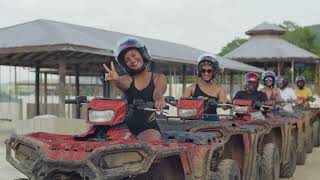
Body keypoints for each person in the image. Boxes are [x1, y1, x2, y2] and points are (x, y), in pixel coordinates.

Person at [103, 37, 167, 141]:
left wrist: (159, 99)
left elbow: (158, 93)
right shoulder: (127, 79)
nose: (132, 60)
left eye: (133, 55)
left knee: (150, 145)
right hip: (124, 127)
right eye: (127, 59)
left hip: (147, 127)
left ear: (143, 54)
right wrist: (115, 79)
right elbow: (120, 82)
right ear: (124, 64)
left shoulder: (158, 77)